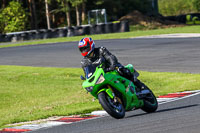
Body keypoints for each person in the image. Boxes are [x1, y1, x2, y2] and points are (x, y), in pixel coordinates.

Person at [78, 37, 144, 89]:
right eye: (82, 49)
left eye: (85, 48)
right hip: (101, 76)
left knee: (122, 70)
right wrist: (87, 79)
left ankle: (139, 85)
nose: (84, 51)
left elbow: (110, 57)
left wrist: (113, 65)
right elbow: (88, 74)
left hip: (112, 68)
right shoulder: (84, 62)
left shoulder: (101, 50)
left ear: (91, 45)